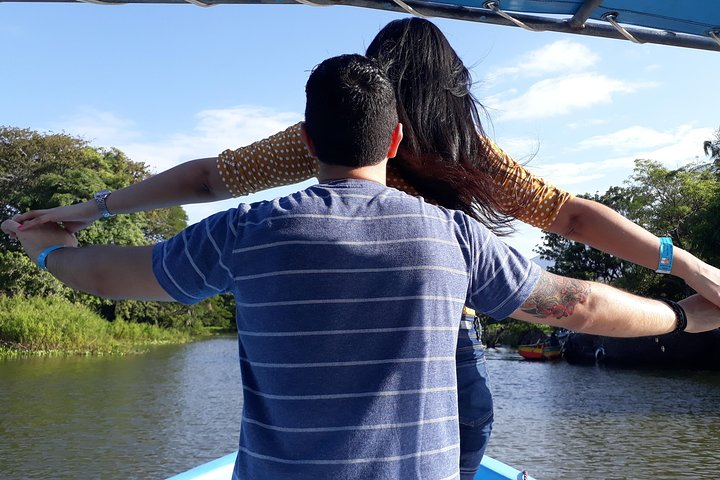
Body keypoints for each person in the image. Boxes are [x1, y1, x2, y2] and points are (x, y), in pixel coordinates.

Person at [12, 17, 720, 477]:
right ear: (411, 125)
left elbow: (203, 179)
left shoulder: (299, 168)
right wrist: (685, 277)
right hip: (447, 343)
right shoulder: (463, 154)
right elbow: (571, 232)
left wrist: (83, 211)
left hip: (313, 339)